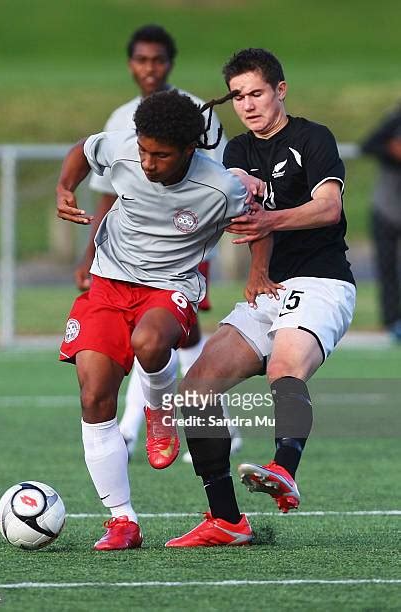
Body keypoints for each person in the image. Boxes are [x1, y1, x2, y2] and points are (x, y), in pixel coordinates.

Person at [56, 89, 278, 550]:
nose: (149, 163)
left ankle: (159, 410)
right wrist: (65, 187)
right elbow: (82, 149)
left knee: (149, 343)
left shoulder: (220, 186)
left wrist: (258, 272)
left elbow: (258, 222)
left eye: (162, 155)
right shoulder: (123, 150)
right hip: (108, 282)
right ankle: (122, 520)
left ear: (190, 151)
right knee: (95, 395)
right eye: (144, 151)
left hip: (170, 286)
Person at [166, 48, 356, 548]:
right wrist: (257, 270)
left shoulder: (312, 138)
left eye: (256, 93)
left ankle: (284, 468)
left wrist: (270, 217)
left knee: (283, 368)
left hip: (322, 281)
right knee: (197, 386)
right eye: (238, 97)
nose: (247, 105)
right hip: (271, 286)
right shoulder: (237, 154)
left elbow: (328, 208)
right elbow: (247, 220)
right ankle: (226, 519)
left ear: (280, 90)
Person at [74, 24, 242, 461]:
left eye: (158, 59)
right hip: (128, 254)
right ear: (131, 64)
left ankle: (199, 419)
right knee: (151, 340)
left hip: (185, 246)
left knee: (169, 337)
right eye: (142, 59)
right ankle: (142, 423)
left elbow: (219, 184)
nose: (150, 68)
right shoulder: (120, 120)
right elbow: (111, 193)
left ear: (170, 63)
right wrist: (90, 252)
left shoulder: (198, 113)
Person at [361, 105, 401, 342]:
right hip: (386, 208)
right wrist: (392, 150)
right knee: (387, 267)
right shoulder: (395, 119)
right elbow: (368, 145)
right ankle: (392, 322)